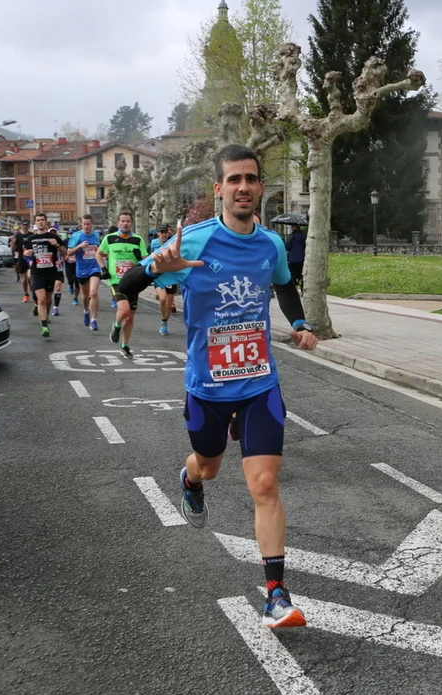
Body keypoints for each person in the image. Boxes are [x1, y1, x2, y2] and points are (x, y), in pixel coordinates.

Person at [117, 144, 317, 629]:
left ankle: (275, 595)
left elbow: (282, 283)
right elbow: (130, 282)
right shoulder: (193, 240)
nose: (243, 187)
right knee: (208, 466)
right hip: (207, 386)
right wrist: (153, 273)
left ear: (260, 187)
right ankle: (190, 481)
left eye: (250, 179)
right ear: (219, 188)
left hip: (259, 383)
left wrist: (300, 322)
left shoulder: (270, 244)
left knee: (264, 485)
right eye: (234, 180)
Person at [97, 212, 148, 359]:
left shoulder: (138, 240)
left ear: (131, 223)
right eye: (123, 221)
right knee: (124, 309)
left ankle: (124, 346)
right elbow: (98, 254)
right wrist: (103, 269)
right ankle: (117, 326)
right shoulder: (109, 238)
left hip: (133, 281)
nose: (125, 224)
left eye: (128, 221)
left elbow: (146, 259)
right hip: (116, 281)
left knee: (130, 318)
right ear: (118, 222)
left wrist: (140, 259)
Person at [23, 213, 62, 337]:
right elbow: (25, 253)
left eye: (42, 220)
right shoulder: (31, 239)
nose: (40, 222)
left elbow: (65, 253)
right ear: (35, 222)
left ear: (46, 222)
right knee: (42, 299)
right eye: (38, 220)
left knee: (48, 300)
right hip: (37, 271)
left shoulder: (53, 237)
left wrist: (56, 245)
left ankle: (46, 315)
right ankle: (44, 326)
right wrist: (26, 254)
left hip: (50, 271)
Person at [67, 213, 103, 330]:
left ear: (92, 224)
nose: (86, 226)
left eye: (88, 224)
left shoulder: (96, 235)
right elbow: (69, 252)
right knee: (85, 295)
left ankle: (94, 320)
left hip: (94, 267)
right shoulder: (76, 236)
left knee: (93, 293)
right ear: (81, 225)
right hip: (82, 269)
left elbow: (100, 250)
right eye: (84, 224)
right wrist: (80, 246)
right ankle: (86, 311)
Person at [150, 224, 178, 335]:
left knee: (168, 305)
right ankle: (163, 319)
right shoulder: (153, 243)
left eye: (165, 232)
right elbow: (148, 257)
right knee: (162, 299)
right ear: (158, 233)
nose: (164, 234)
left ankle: (165, 322)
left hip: (171, 276)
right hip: (159, 276)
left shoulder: (173, 243)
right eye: (162, 232)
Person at [12, 222, 32, 302]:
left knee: (30, 276)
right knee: (23, 279)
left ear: (28, 226)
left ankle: (30, 283)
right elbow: (13, 248)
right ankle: (26, 294)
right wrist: (13, 242)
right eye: (24, 225)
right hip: (21, 258)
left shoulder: (32, 235)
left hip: (30, 258)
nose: (25, 226)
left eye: (26, 225)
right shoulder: (18, 236)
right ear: (21, 226)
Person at [286, 224, 306, 293]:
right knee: (302, 275)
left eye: (292, 226)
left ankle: (293, 290)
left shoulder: (292, 236)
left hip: (293, 259)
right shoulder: (304, 235)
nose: (291, 228)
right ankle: (303, 289)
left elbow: (287, 246)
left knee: (293, 275)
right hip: (302, 259)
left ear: (295, 227)